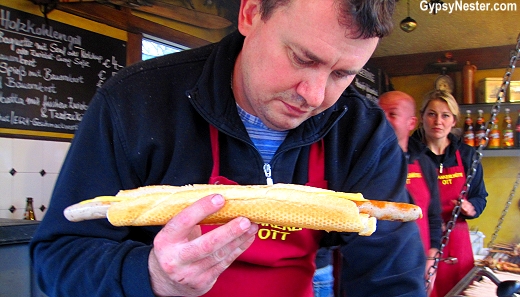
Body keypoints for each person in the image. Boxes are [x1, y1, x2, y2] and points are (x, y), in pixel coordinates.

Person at [30, 0, 426, 296]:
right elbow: (59, 257)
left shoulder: (362, 131)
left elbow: (389, 275)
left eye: (342, 74)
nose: (315, 95)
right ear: (251, 13)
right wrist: (150, 274)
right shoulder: (134, 102)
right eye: (302, 58)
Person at [411, 89, 488, 297]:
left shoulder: (467, 155)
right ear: (421, 117)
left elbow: (480, 196)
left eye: (445, 115)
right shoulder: (408, 154)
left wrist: (471, 208)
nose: (438, 121)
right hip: (420, 241)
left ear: (454, 121)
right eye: (432, 114)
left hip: (457, 242)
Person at [378, 90, 442, 294]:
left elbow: (433, 215)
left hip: (416, 267)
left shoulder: (424, 163)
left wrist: (432, 257)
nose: (383, 120)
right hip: (373, 269)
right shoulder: (362, 163)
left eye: (392, 114)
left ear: (411, 123)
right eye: (379, 113)